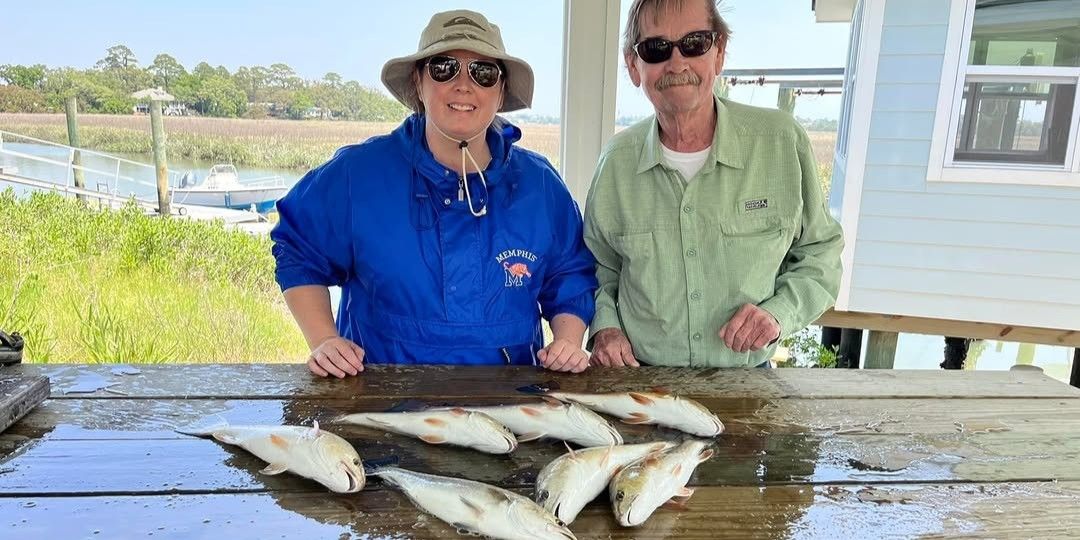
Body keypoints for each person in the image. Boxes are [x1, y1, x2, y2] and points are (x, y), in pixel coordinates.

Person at [271, 10, 597, 377]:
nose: (463, 85)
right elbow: (297, 246)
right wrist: (324, 340)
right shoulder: (357, 174)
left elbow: (570, 272)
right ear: (419, 83)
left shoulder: (540, 185)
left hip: (510, 407)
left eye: (483, 73)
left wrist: (568, 341)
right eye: (444, 68)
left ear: (501, 90)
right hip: (381, 404)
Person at [584, 0, 843, 368]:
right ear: (633, 65)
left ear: (719, 51)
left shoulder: (781, 142)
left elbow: (821, 252)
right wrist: (605, 329)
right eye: (656, 49)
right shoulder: (615, 162)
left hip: (749, 381)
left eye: (694, 43)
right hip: (642, 383)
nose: (677, 63)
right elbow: (597, 267)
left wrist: (778, 313)